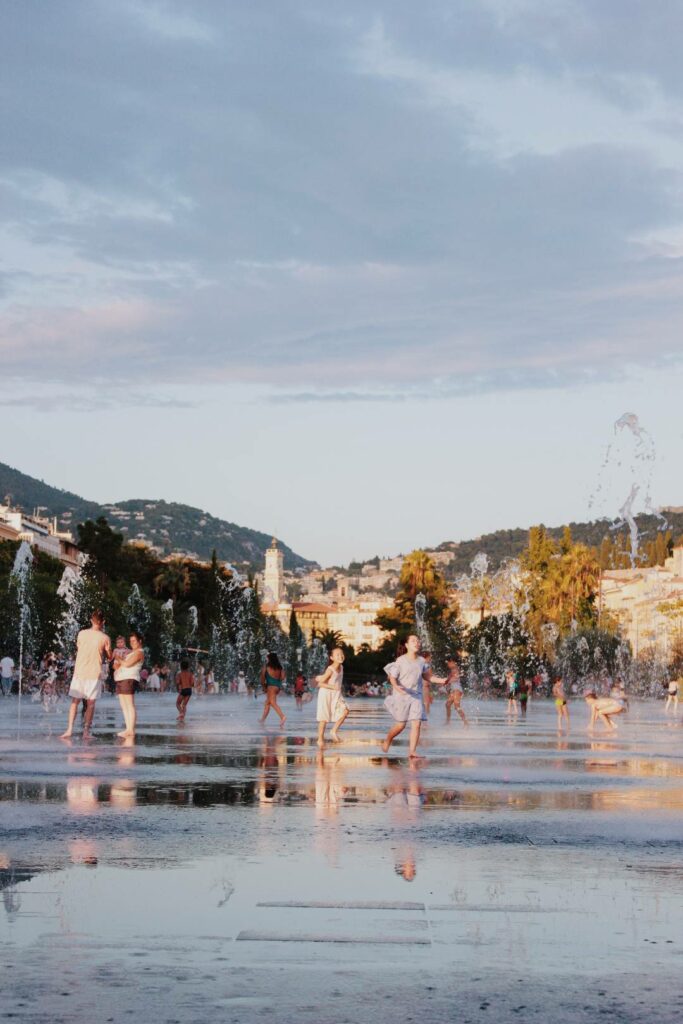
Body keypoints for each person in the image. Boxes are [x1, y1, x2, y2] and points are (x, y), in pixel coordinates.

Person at [381, 635, 448, 759]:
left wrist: (441, 680)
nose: (417, 643)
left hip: (416, 696)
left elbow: (427, 676)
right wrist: (396, 687)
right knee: (401, 725)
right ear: (406, 645)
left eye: (418, 641)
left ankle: (412, 752)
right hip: (402, 695)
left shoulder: (422, 661)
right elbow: (392, 677)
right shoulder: (400, 660)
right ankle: (388, 739)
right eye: (413, 641)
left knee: (417, 724)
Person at [60, 610, 111, 738]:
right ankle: (86, 732)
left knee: (75, 702)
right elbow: (109, 656)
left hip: (79, 672)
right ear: (103, 622)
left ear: (91, 620)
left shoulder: (81, 634)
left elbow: (79, 647)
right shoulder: (105, 638)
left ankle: (69, 729)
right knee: (91, 703)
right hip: (94, 673)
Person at [113, 632, 144, 738]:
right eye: (130, 641)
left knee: (129, 705)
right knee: (124, 705)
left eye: (134, 641)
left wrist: (118, 658)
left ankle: (131, 729)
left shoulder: (139, 652)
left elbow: (127, 664)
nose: (132, 643)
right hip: (121, 678)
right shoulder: (130, 652)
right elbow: (118, 666)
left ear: (140, 641)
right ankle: (128, 728)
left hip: (129, 679)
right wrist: (117, 664)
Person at [316, 648, 349, 747]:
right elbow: (320, 684)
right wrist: (332, 686)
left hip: (336, 694)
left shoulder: (341, 667)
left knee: (346, 710)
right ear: (332, 658)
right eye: (337, 654)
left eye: (342, 654)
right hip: (325, 694)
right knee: (324, 718)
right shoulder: (330, 669)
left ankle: (333, 730)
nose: (340, 656)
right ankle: (320, 739)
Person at [259, 653, 286, 726]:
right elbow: (283, 677)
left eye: (267, 658)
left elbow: (262, 678)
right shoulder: (280, 667)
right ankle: (262, 720)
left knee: (272, 702)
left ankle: (282, 716)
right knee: (267, 703)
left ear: (269, 658)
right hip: (277, 687)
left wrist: (264, 686)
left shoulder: (266, 667)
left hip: (270, 687)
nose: (266, 659)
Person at [444, 655, 468, 727]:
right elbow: (450, 679)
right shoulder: (453, 670)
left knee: (457, 706)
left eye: (448, 663)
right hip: (454, 690)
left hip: (457, 690)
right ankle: (448, 721)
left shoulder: (455, 669)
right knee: (447, 704)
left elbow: (456, 679)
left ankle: (465, 722)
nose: (448, 665)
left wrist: (447, 681)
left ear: (453, 662)